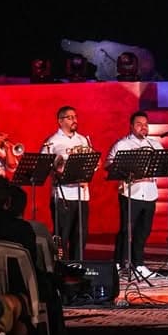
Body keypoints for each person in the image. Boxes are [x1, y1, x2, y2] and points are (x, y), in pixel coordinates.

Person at [107, 111, 163, 279]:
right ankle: (118, 263)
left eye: (146, 124)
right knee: (126, 230)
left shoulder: (155, 144)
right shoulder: (123, 144)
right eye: (139, 124)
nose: (143, 127)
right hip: (131, 193)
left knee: (143, 231)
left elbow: (163, 165)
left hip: (150, 193)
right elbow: (109, 164)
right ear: (131, 126)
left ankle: (138, 264)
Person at [44, 105, 93, 262]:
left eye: (75, 117)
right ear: (60, 121)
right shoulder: (52, 142)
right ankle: (61, 269)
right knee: (62, 237)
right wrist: (57, 166)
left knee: (80, 236)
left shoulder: (83, 140)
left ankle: (78, 267)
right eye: (70, 117)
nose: (74, 120)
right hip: (63, 195)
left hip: (82, 195)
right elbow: (45, 166)